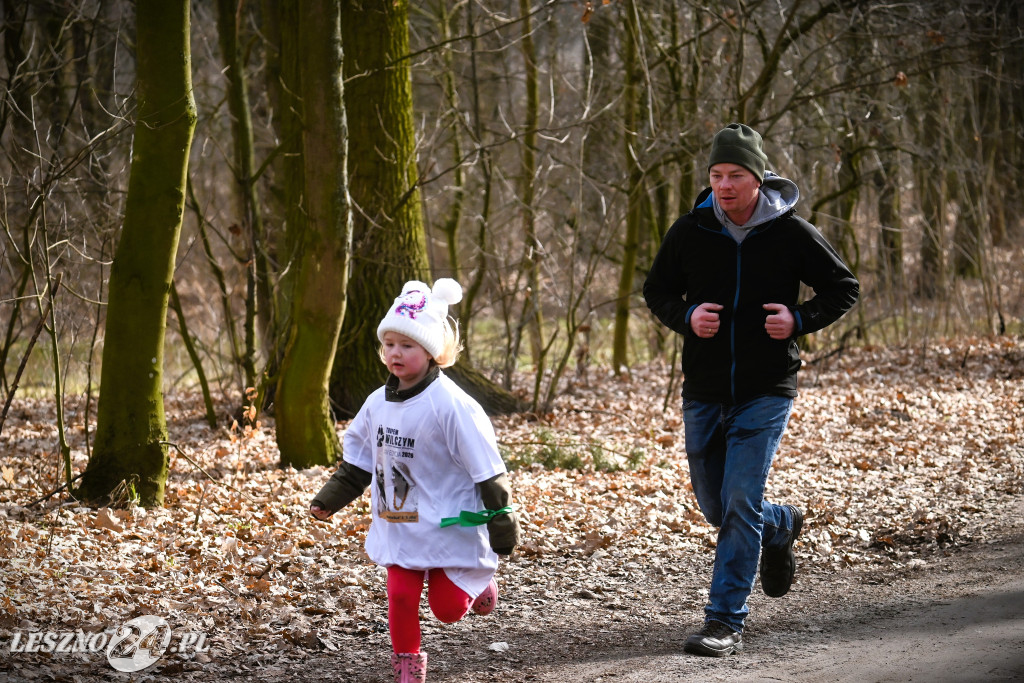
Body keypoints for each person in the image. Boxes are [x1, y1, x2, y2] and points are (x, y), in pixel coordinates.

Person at [643, 123, 859, 657]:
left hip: (766, 388)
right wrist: (688, 316)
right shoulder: (690, 231)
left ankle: (724, 621)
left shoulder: (791, 234)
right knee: (719, 505)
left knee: (741, 500)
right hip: (705, 389)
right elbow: (657, 290)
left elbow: (843, 287)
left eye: (735, 175)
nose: (724, 185)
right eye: (716, 175)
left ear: (758, 178)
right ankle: (781, 522)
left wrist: (800, 318)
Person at [310, 278, 521, 683]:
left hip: (448, 524)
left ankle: (480, 584)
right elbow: (358, 461)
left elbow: (487, 468)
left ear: (431, 351)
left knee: (446, 610)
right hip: (400, 523)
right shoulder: (376, 404)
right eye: (389, 344)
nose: (395, 353)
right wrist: (330, 499)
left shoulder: (453, 406)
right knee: (401, 597)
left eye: (406, 345)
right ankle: (408, 671)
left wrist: (502, 520)